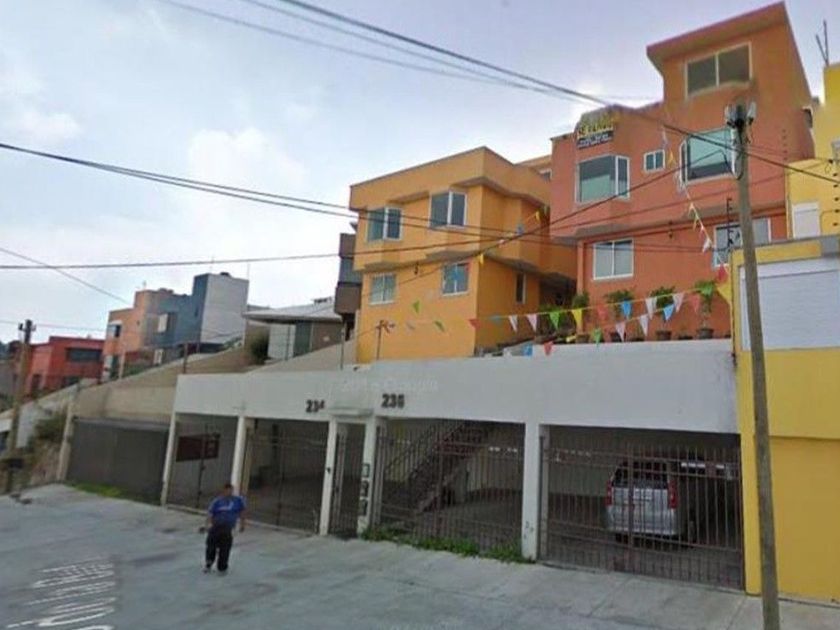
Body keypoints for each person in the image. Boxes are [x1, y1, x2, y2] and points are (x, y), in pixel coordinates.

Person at [203, 483, 246, 574]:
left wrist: (242, 524)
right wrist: (207, 525)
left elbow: (242, 512)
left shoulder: (237, 501)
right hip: (216, 526)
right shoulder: (217, 501)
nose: (229, 492)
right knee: (211, 545)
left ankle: (222, 567)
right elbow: (210, 513)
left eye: (230, 490)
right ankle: (209, 563)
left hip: (227, 527)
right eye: (227, 490)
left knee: (225, 547)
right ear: (223, 491)